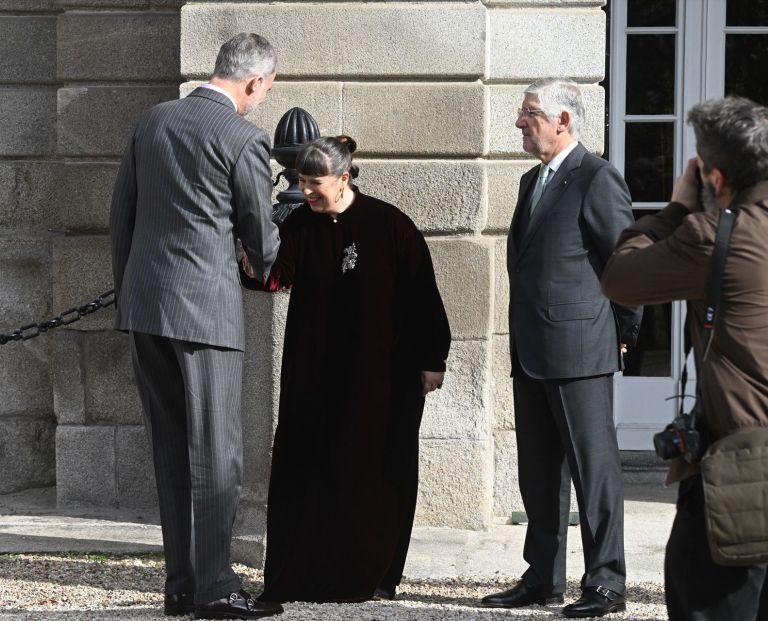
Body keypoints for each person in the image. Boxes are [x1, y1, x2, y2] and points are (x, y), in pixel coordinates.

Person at [109, 33, 282, 620]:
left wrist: (128, 294)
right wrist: (263, 260)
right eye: (264, 90)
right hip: (206, 312)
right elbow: (261, 241)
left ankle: (180, 585)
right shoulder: (243, 137)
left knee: (170, 449)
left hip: (145, 306)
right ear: (255, 82)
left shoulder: (152, 121)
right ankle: (214, 588)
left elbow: (122, 216)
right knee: (217, 453)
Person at [244, 136, 451, 603]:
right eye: (301, 182)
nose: (308, 192)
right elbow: (274, 277)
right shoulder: (300, 223)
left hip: (381, 376)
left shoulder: (390, 225)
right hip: (315, 370)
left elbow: (422, 297)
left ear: (344, 177)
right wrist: (249, 247)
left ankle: (372, 575)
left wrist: (432, 360)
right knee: (306, 468)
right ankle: (299, 575)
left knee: (375, 471)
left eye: (315, 184)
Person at [602, 96, 768, 621]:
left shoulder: (716, 235)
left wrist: (676, 208)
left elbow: (620, 278)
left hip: (742, 476)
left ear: (714, 178)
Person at [480, 78, 642, 618]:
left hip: (581, 350)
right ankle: (542, 578)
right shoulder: (533, 180)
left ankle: (605, 583)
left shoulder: (596, 177)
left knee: (594, 471)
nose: (520, 122)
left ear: (563, 121)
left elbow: (627, 266)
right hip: (531, 351)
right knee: (538, 472)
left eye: (529, 113)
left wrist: (621, 338)